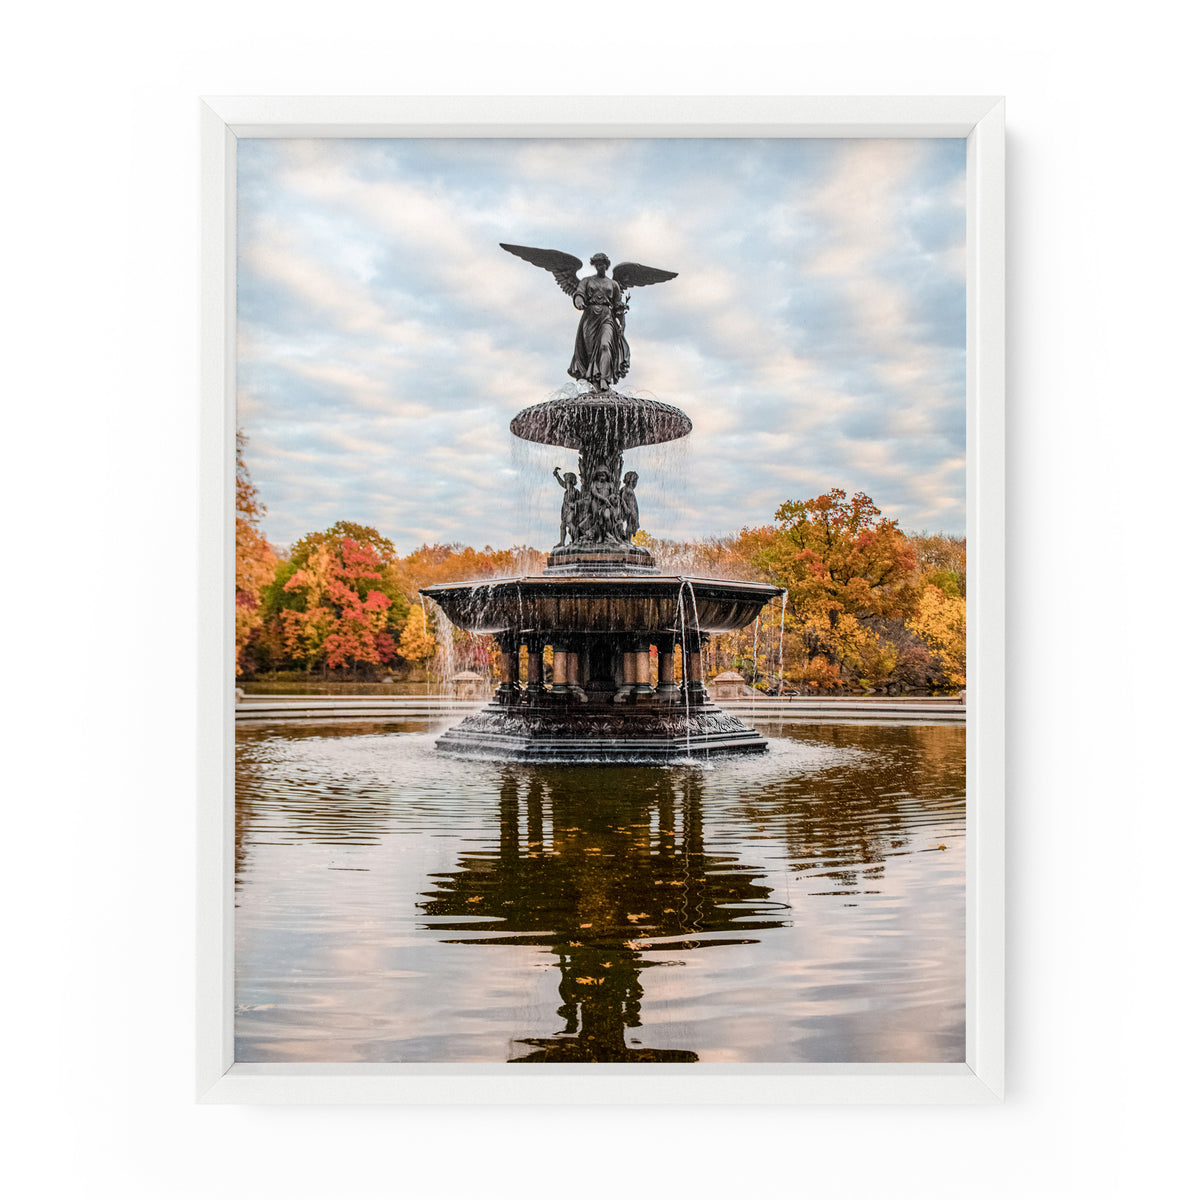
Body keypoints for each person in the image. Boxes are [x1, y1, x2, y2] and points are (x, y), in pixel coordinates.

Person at [568, 254, 630, 391]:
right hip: (590, 318)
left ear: (606, 265)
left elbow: (618, 305)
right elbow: (579, 293)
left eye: (602, 264)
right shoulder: (586, 281)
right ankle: (593, 383)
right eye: (597, 264)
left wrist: (622, 324)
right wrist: (578, 300)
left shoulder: (613, 284)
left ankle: (604, 379)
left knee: (605, 346)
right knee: (590, 353)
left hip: (607, 317)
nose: (599, 266)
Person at [553, 467, 581, 546]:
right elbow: (561, 483)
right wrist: (557, 475)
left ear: (571, 481)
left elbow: (579, 502)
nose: (566, 483)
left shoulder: (575, 491)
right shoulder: (568, 490)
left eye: (568, 480)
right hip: (565, 510)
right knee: (563, 525)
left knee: (570, 524)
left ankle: (576, 540)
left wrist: (574, 504)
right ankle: (562, 542)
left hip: (571, 510)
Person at [618, 471, 640, 542]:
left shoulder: (624, 489)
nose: (635, 484)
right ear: (630, 481)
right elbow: (630, 504)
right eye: (635, 481)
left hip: (628, 510)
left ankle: (627, 540)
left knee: (630, 526)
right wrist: (634, 517)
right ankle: (628, 540)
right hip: (630, 511)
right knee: (630, 526)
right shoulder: (628, 491)